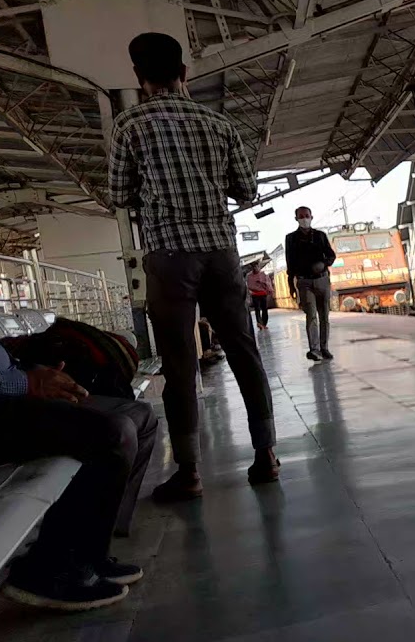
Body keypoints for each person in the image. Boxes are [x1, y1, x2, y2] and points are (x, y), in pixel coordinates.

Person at [108, 32, 280, 502]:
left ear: (140, 79)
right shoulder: (218, 124)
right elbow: (246, 190)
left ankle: (189, 473)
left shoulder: (129, 125)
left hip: (169, 256)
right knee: (244, 352)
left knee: (180, 362)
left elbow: (118, 195)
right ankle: (266, 456)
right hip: (222, 254)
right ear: (184, 73)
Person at [0, 327, 155, 610]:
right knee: (113, 433)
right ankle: (48, 570)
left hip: (8, 394)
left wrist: (32, 369)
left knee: (140, 415)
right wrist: (25, 382)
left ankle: (89, 553)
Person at [284, 207, 335, 361]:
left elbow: (331, 255)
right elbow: (290, 263)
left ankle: (324, 348)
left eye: (307, 216)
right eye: (301, 216)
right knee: (311, 316)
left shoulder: (320, 236)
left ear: (312, 217)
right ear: (296, 219)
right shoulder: (291, 239)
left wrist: (323, 264)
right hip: (304, 281)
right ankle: (314, 350)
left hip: (322, 279)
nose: (304, 219)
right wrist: (291, 285)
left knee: (324, 316)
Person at [246, 265, 274, 330]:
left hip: (263, 294)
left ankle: (264, 323)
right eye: (253, 267)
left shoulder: (263, 275)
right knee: (257, 309)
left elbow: (268, 283)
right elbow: (249, 285)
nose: (255, 268)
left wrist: (262, 282)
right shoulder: (249, 276)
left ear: (259, 267)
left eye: (256, 267)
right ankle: (259, 323)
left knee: (264, 309)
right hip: (255, 294)